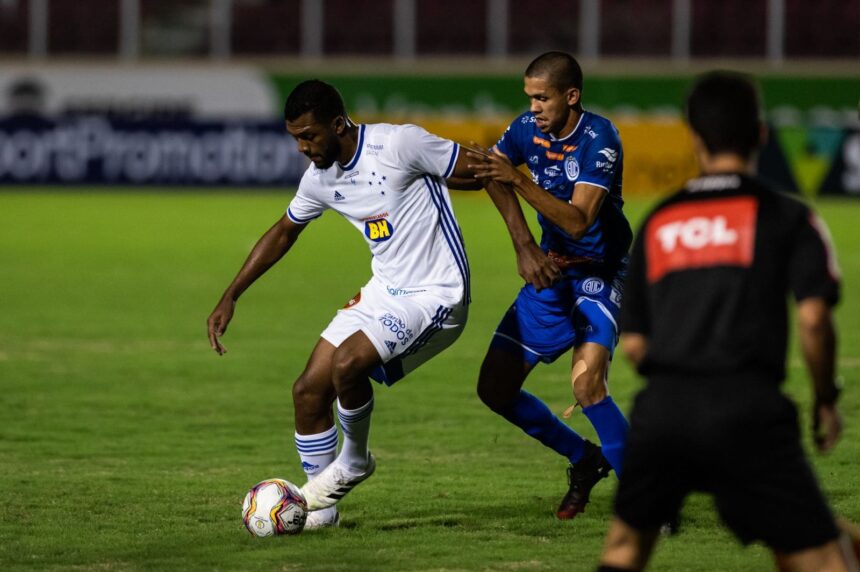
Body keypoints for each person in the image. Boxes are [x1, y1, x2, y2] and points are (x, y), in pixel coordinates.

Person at [597, 71, 854, 571]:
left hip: (663, 412)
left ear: (693, 136)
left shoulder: (660, 220)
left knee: (625, 550)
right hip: (748, 410)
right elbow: (815, 318)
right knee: (824, 559)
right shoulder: (786, 216)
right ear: (760, 133)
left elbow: (633, 344)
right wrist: (825, 399)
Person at [207, 79, 474, 529]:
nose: (302, 147)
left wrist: (524, 243)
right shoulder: (319, 179)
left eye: (309, 135)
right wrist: (231, 294)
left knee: (348, 365)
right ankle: (322, 512)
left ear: (337, 124)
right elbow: (283, 232)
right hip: (384, 289)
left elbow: (483, 169)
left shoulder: (399, 144)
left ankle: (353, 461)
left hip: (437, 293)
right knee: (308, 391)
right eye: (295, 138)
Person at [465, 51, 632, 520]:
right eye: (529, 98)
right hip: (552, 271)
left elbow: (578, 221)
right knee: (494, 389)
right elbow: (489, 172)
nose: (533, 107)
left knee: (588, 386)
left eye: (542, 98)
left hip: (599, 273)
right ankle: (585, 460)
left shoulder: (599, 138)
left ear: (571, 96)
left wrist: (516, 178)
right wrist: (524, 245)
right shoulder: (525, 129)